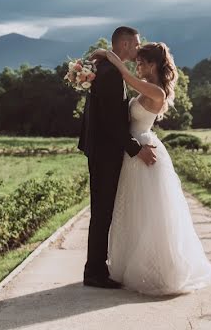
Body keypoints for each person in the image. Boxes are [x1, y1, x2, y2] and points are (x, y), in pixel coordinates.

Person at [93, 42, 211, 295]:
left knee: (152, 214)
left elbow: (125, 76)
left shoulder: (156, 91)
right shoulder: (145, 89)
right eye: (136, 62)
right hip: (135, 150)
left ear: (152, 65)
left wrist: (108, 54)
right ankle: (132, 265)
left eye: (140, 62)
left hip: (144, 150)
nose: (136, 66)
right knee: (134, 211)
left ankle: (161, 271)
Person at [78, 26, 157, 289]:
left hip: (98, 149)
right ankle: (95, 273)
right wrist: (135, 149)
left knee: (101, 211)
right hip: (105, 152)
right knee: (102, 212)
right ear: (123, 45)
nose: (138, 50)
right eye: (136, 44)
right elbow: (113, 121)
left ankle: (96, 268)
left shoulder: (104, 67)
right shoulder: (111, 73)